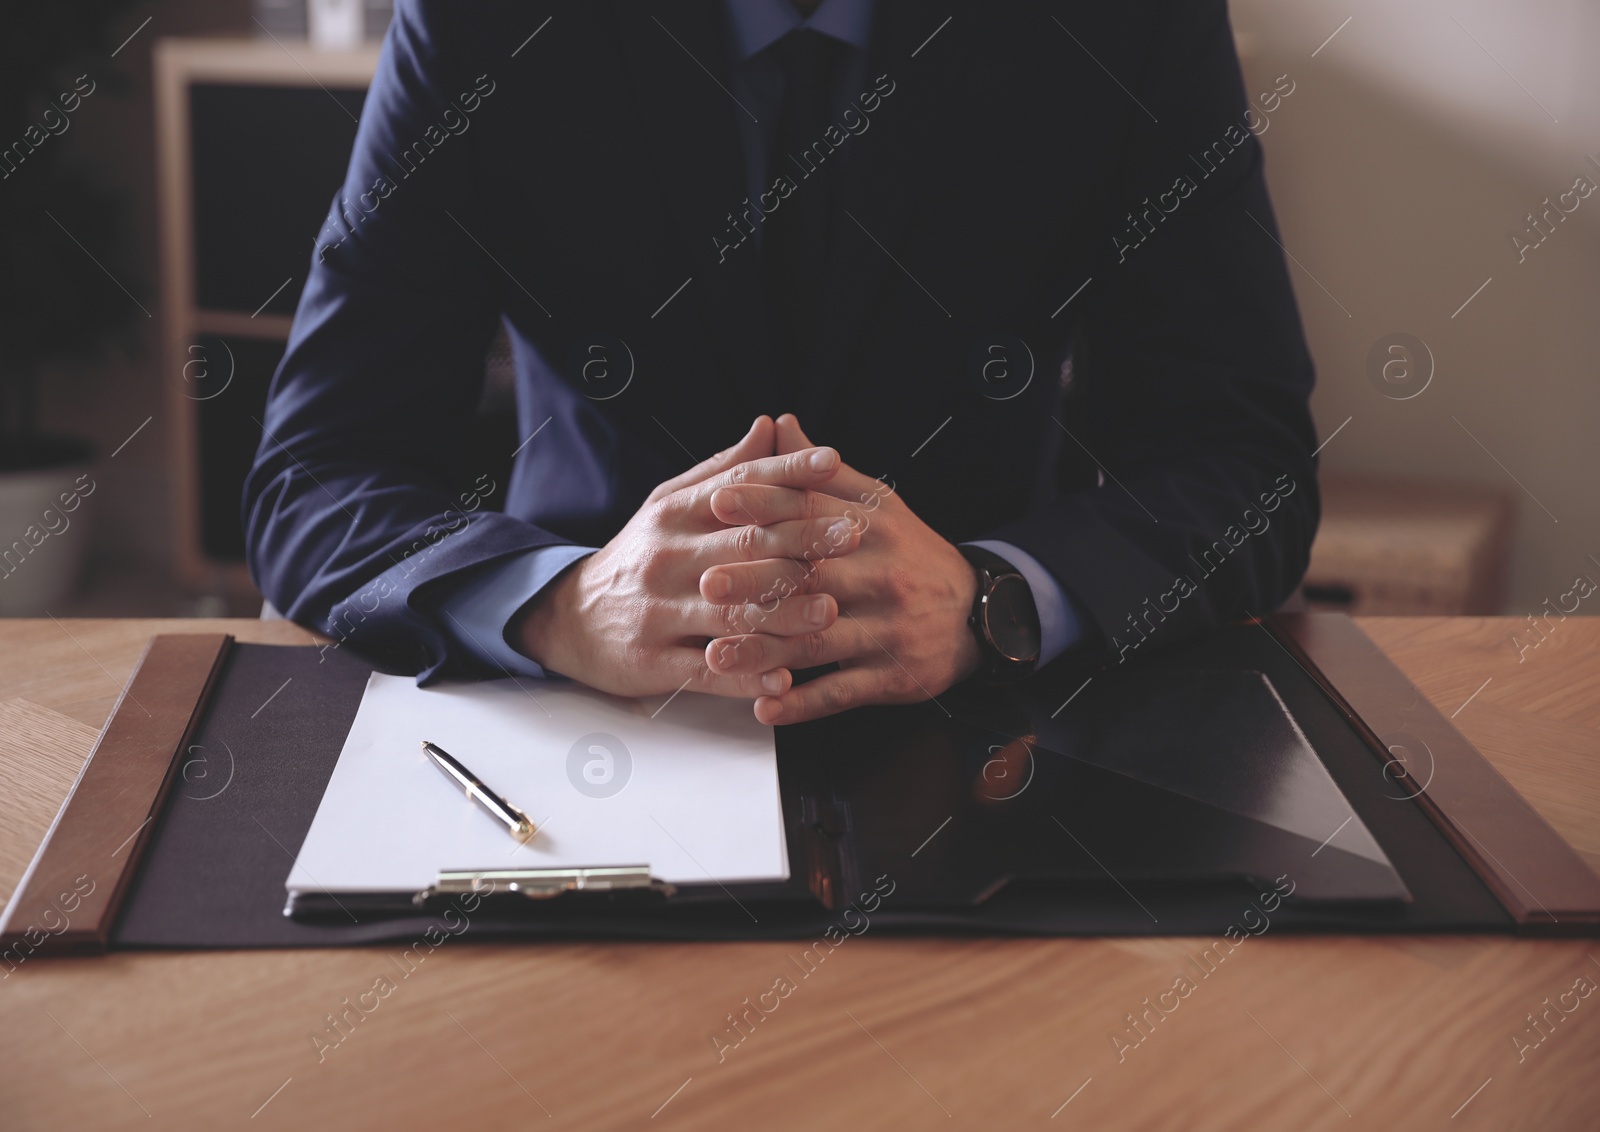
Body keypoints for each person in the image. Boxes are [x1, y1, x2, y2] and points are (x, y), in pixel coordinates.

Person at [245, 0, 1320, 726]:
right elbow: (317, 474)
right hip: (579, 708)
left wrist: (998, 599)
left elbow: (1242, 457)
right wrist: (556, 602)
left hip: (987, 707)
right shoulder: (482, 19)